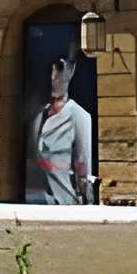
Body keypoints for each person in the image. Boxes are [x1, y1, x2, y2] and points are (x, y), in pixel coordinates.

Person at [28, 56, 94, 205]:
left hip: (67, 200)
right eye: (52, 72)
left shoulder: (78, 115)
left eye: (59, 71)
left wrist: (86, 198)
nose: (54, 78)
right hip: (41, 200)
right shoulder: (39, 117)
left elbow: (84, 160)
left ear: (70, 73)